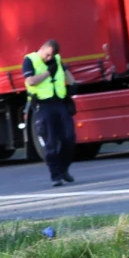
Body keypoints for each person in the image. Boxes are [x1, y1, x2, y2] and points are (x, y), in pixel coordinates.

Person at [24, 39, 78, 187]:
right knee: (50, 143)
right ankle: (56, 176)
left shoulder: (56, 59)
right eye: (48, 55)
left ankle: (63, 169)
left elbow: (65, 72)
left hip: (60, 103)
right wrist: (48, 72)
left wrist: (73, 84)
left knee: (69, 137)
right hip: (43, 106)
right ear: (42, 48)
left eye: (52, 56)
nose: (49, 58)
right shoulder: (30, 60)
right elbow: (31, 82)